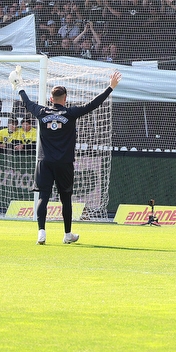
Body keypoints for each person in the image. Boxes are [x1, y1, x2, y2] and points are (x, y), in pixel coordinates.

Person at [14, 70, 121, 244]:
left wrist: (20, 87)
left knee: (43, 197)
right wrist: (110, 87)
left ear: (51, 99)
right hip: (64, 163)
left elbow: (27, 103)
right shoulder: (70, 113)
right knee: (66, 199)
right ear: (65, 99)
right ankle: (67, 234)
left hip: (44, 162)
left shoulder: (41, 112)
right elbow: (93, 105)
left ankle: (41, 232)